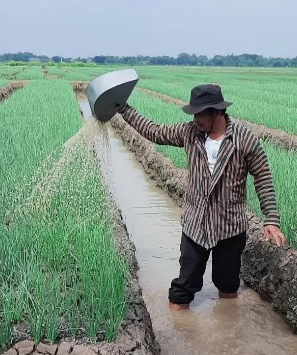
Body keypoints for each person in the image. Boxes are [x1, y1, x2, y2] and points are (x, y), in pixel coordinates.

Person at [118, 84, 286, 310]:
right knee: (183, 289)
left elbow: (263, 177)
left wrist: (271, 219)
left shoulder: (243, 139)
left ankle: (227, 326)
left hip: (230, 226)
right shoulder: (189, 133)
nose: (196, 119)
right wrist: (124, 109)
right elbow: (154, 132)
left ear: (216, 112)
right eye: (193, 114)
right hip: (195, 224)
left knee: (228, 287)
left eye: (200, 114)